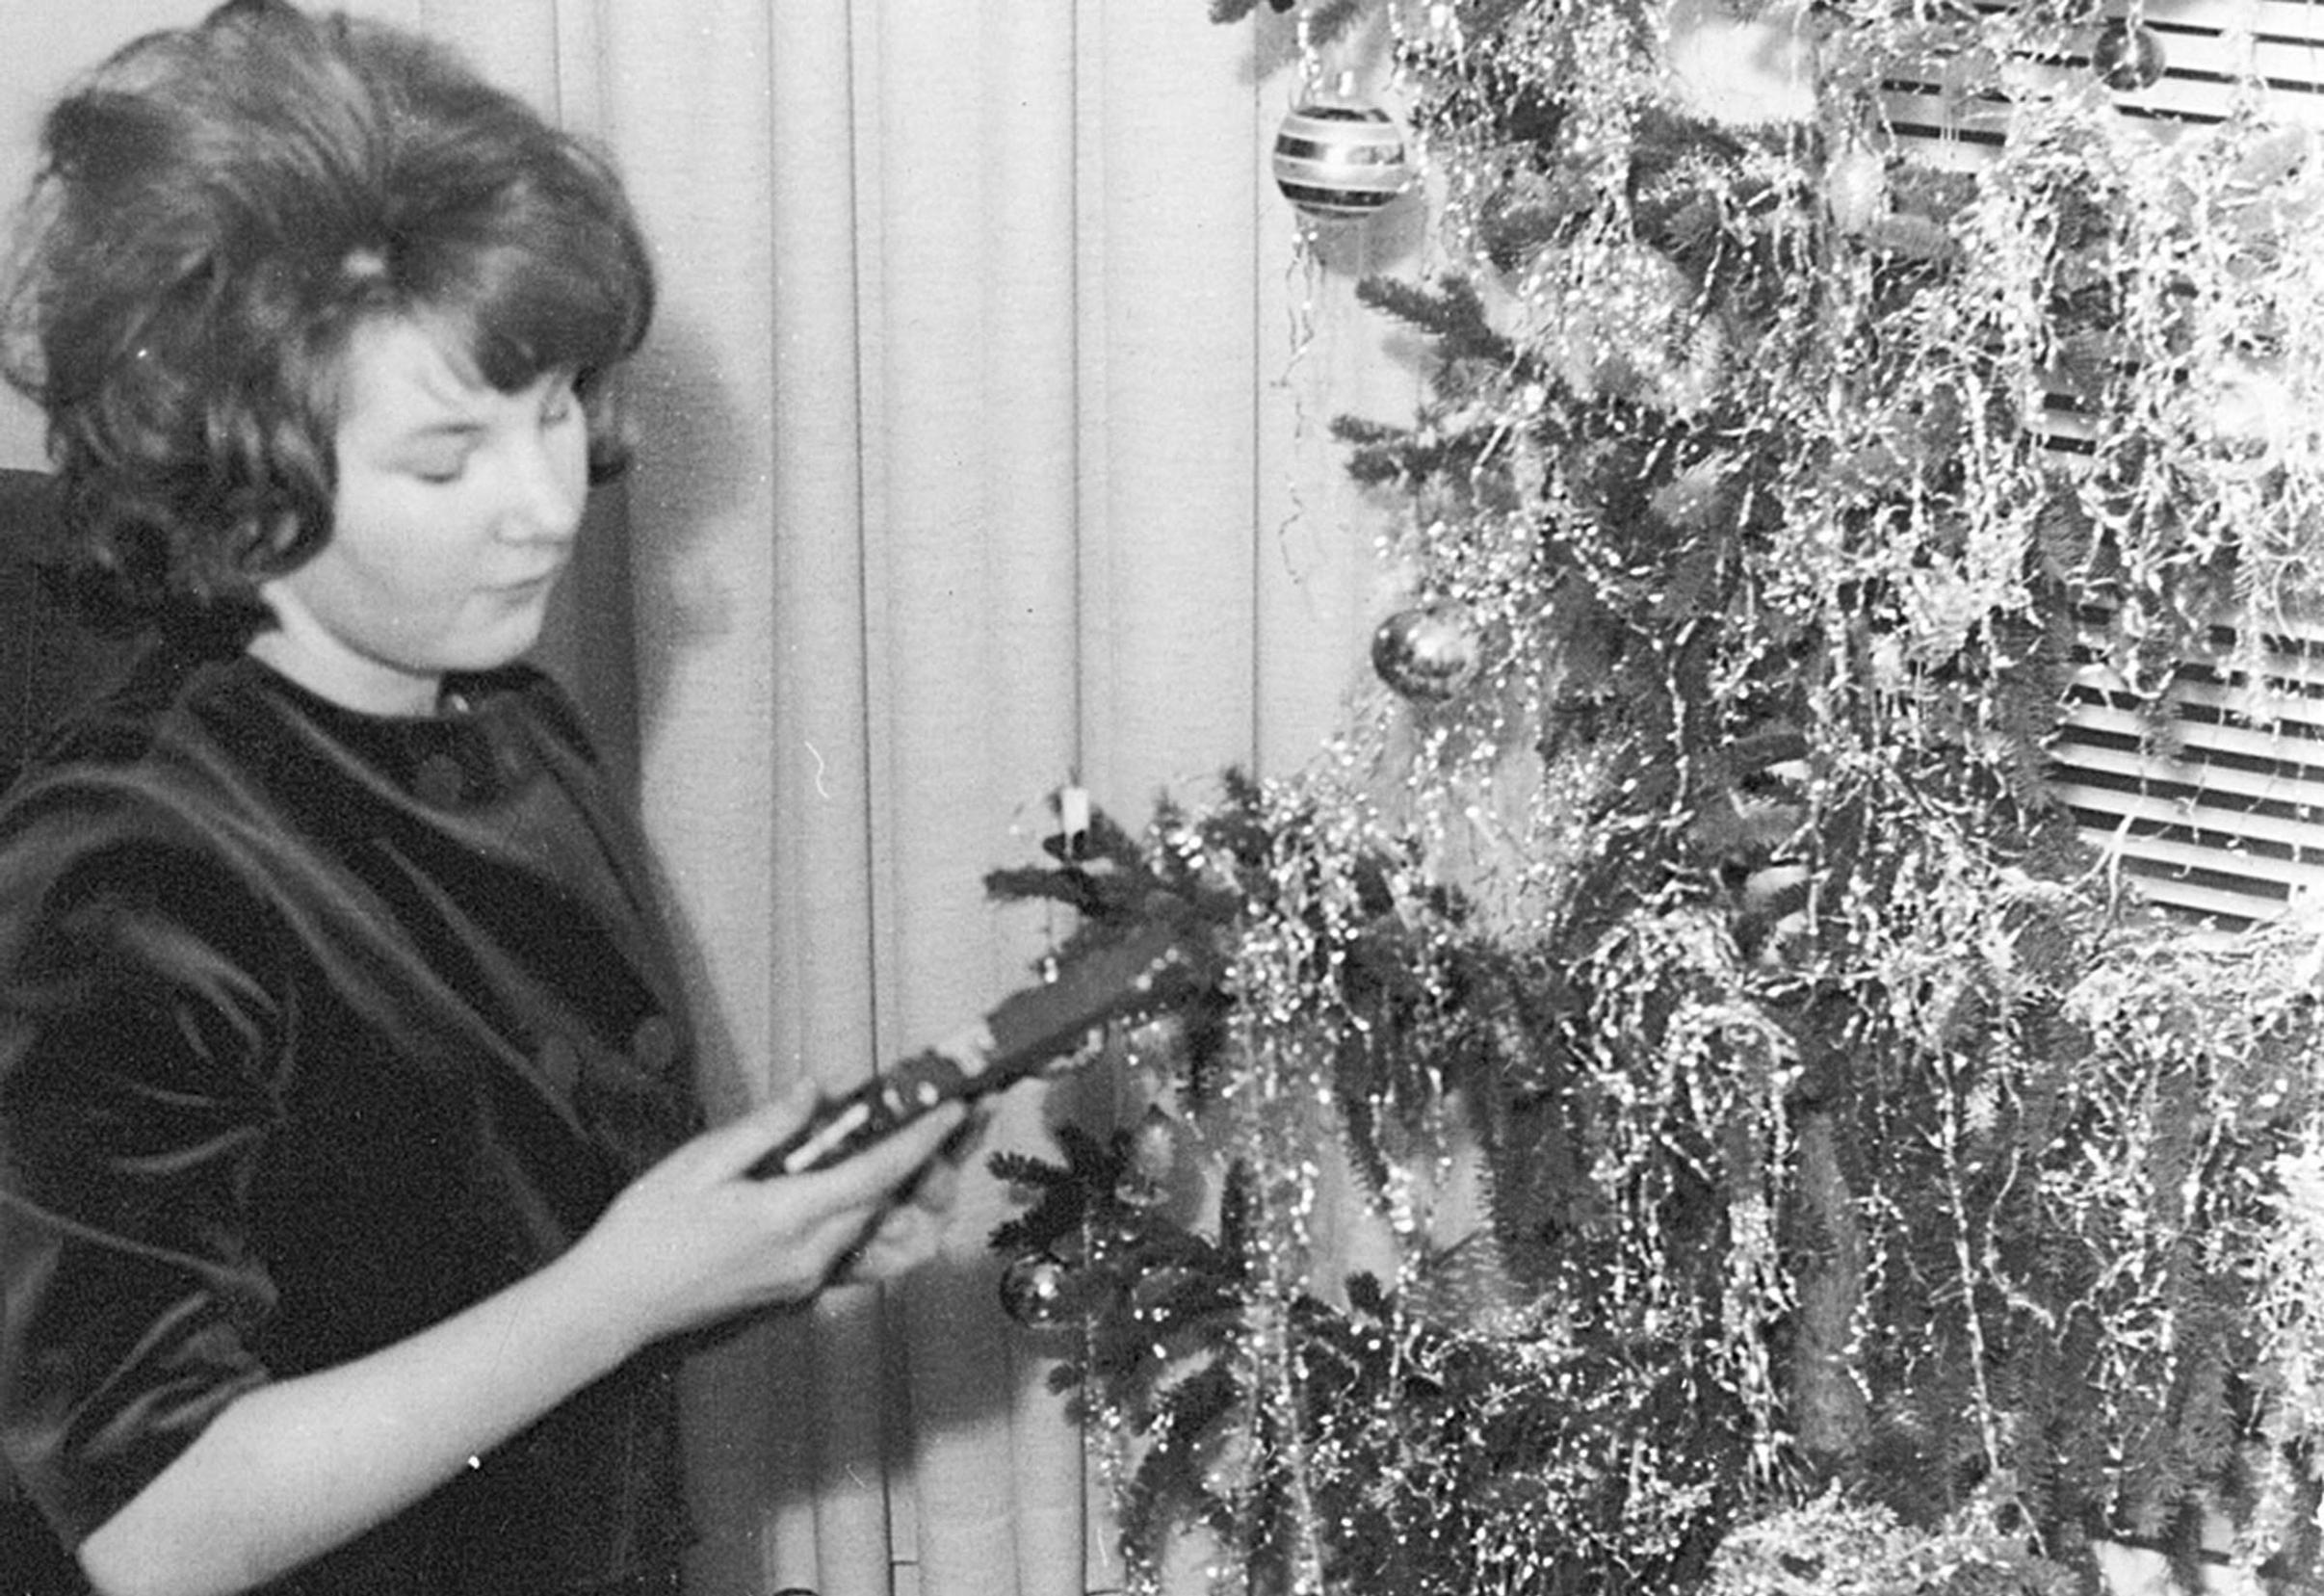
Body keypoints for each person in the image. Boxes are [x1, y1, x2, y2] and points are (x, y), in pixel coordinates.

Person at [0, 4, 976, 1593]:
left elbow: (493, 1256)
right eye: (448, 462)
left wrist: (762, 1240)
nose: (545, 506)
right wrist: (629, 1290)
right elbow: (156, 1524)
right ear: (245, 484)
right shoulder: (127, 867)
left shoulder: (513, 725)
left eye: (556, 410)